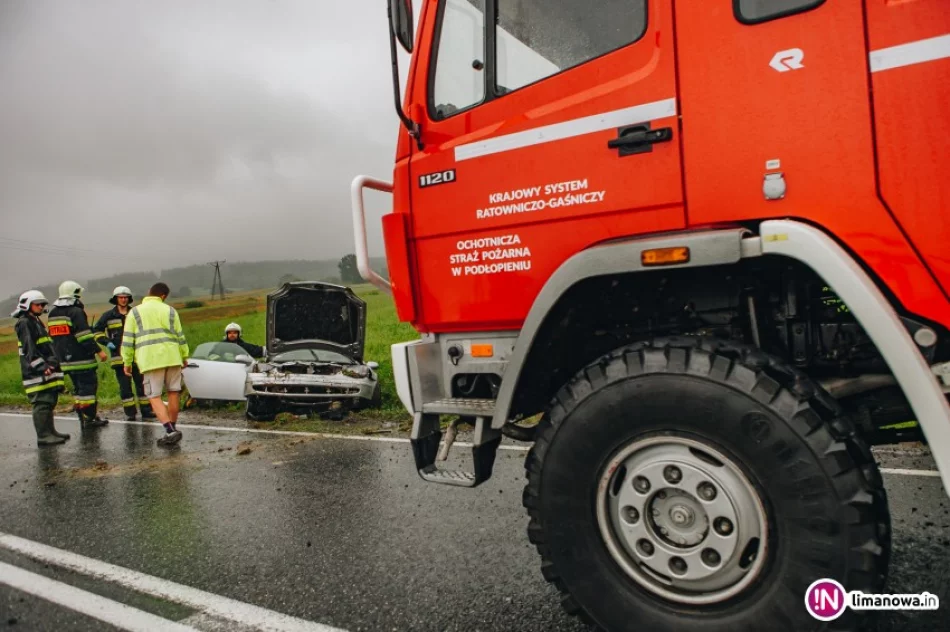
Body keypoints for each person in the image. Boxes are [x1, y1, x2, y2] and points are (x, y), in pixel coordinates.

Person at [121, 282, 190, 446]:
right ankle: (173, 428)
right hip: (173, 357)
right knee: (174, 392)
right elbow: (180, 335)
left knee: (154, 396)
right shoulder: (171, 310)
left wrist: (127, 361)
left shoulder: (135, 312)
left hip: (151, 360)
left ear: (149, 292)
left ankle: (169, 431)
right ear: (163, 296)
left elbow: (128, 339)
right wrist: (184, 355)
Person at [48, 281, 109, 430]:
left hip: (64, 361)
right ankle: (90, 418)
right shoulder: (76, 312)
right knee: (88, 389)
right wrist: (98, 351)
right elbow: (84, 337)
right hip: (82, 360)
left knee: (78, 389)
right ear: (74, 293)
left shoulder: (53, 313)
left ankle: (83, 417)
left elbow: (54, 338)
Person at [13, 290, 70, 446]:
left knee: (49, 400)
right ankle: (44, 436)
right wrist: (41, 366)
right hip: (36, 372)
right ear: (27, 305)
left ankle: (51, 432)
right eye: (38, 304)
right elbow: (28, 348)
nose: (41, 306)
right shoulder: (25, 322)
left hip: (45, 368)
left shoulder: (34, 320)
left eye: (43, 304)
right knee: (42, 403)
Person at [95, 286, 155, 421]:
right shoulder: (108, 316)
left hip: (138, 356)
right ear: (116, 299)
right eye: (121, 297)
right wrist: (106, 341)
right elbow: (96, 332)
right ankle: (130, 413)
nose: (123, 300)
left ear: (129, 299)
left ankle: (146, 411)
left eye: (125, 297)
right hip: (119, 358)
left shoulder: (135, 313)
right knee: (125, 387)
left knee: (142, 385)